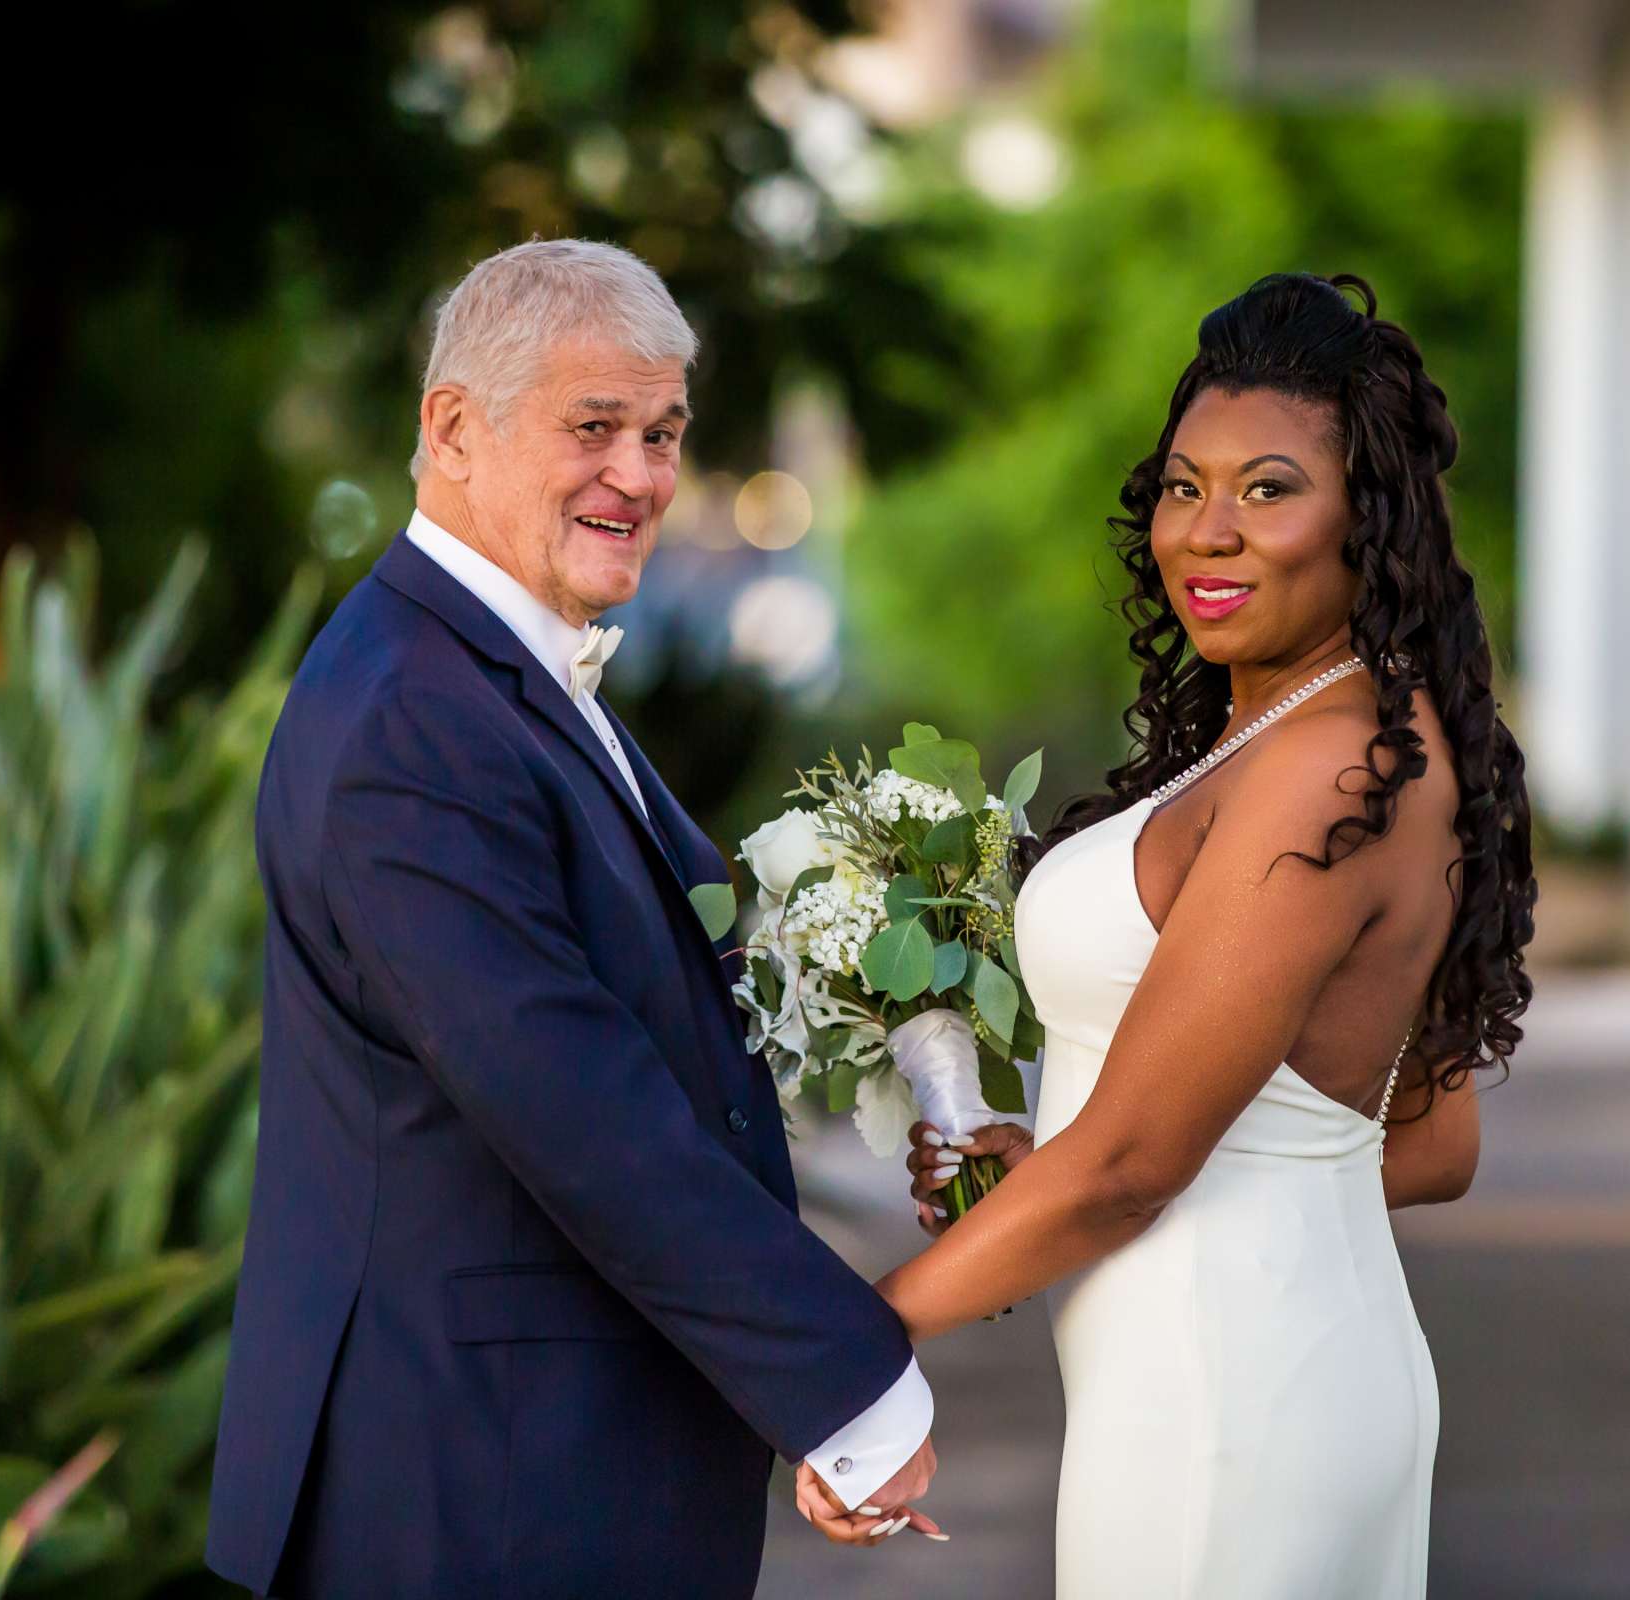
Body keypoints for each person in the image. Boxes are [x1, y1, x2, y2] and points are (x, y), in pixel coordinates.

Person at [205, 240, 938, 1600]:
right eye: (592, 427)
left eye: (662, 434)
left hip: (528, 1474)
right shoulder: (413, 716)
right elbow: (580, 1108)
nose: (642, 476)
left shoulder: (485, 676)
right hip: (466, 1494)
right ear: (452, 431)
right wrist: (847, 1391)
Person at [879, 272, 1534, 1596]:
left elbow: (1134, 1163)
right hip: (1284, 1380)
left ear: (1370, 519)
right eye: (1185, 488)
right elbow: (1427, 1141)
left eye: (1270, 488)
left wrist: (837, 1352)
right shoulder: (1338, 744)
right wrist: (1058, 1179)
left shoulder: (1324, 772)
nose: (1210, 532)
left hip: (1224, 1411)